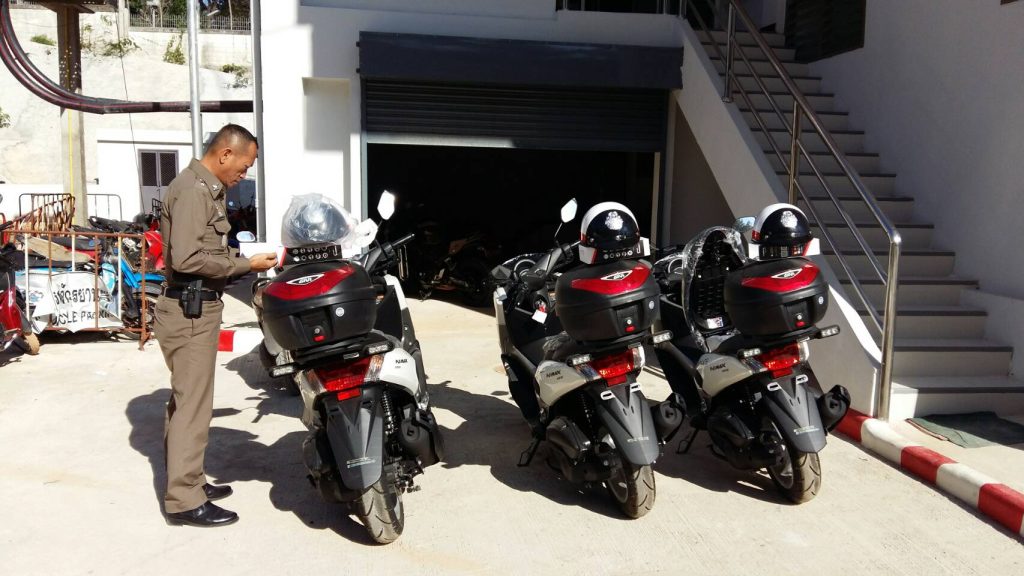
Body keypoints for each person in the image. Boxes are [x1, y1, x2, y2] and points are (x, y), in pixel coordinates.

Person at [155, 124, 277, 527]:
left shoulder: (207, 188)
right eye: (245, 165)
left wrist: (241, 259)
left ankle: (189, 481)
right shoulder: (194, 190)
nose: (245, 174)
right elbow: (187, 259)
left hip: (195, 308)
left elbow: (203, 249)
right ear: (225, 154)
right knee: (192, 407)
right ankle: (184, 500)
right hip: (189, 311)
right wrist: (246, 265)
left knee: (187, 403)